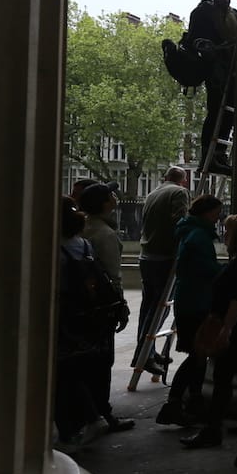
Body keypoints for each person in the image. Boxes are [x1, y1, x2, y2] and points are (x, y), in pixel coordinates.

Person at [55, 196, 128, 452]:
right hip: (85, 315)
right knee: (76, 369)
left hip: (62, 316)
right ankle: (89, 418)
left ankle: (77, 425)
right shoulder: (83, 244)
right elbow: (109, 275)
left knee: (63, 371)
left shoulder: (54, 247)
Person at [180, 214, 237, 449]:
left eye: (227, 230)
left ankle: (213, 429)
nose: (223, 234)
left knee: (222, 379)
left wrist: (225, 329)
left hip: (234, 328)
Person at [156, 194, 223, 427]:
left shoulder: (190, 233)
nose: (218, 218)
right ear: (207, 213)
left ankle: (191, 401)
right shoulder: (199, 237)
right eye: (216, 212)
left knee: (198, 356)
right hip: (197, 301)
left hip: (189, 300)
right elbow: (208, 269)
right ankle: (175, 403)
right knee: (198, 354)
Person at [77, 183, 134, 433]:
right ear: (104, 203)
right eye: (110, 195)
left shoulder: (84, 228)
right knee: (102, 361)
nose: (115, 197)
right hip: (101, 307)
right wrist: (120, 305)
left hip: (82, 305)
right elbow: (113, 276)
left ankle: (87, 411)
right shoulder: (105, 234)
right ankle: (102, 412)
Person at [135, 166, 189, 383]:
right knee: (159, 310)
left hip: (146, 256)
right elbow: (180, 222)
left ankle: (147, 351)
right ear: (183, 182)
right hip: (164, 257)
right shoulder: (178, 193)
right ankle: (145, 353)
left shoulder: (153, 193)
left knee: (148, 307)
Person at [182, 0, 237, 175]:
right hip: (215, 70)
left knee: (229, 114)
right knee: (216, 112)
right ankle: (209, 156)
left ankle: (220, 154)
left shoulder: (234, 14)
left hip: (233, 69)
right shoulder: (202, 13)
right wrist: (206, 47)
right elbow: (194, 40)